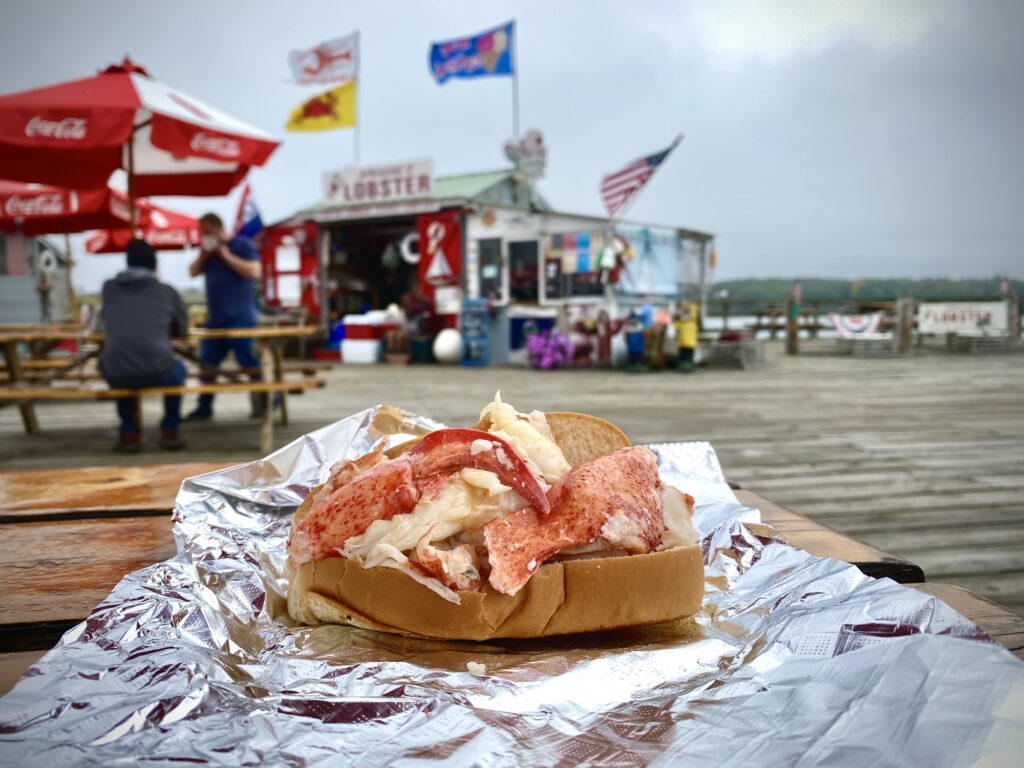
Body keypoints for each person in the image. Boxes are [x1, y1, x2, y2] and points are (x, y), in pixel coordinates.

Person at [98, 239, 187, 452]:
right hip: (158, 367)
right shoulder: (167, 291)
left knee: (123, 367)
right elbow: (182, 330)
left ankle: (129, 432)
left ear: (127, 261)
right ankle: (169, 429)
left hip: (115, 370)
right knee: (179, 370)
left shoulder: (109, 288)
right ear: (155, 265)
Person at [185, 212, 263, 421]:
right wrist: (204, 254)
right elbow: (191, 272)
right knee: (207, 363)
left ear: (217, 227)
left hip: (241, 316)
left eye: (206, 231)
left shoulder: (242, 245)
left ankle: (265, 401)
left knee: (246, 360)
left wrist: (225, 254)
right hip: (216, 318)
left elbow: (254, 272)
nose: (204, 235)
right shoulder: (207, 254)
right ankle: (204, 407)